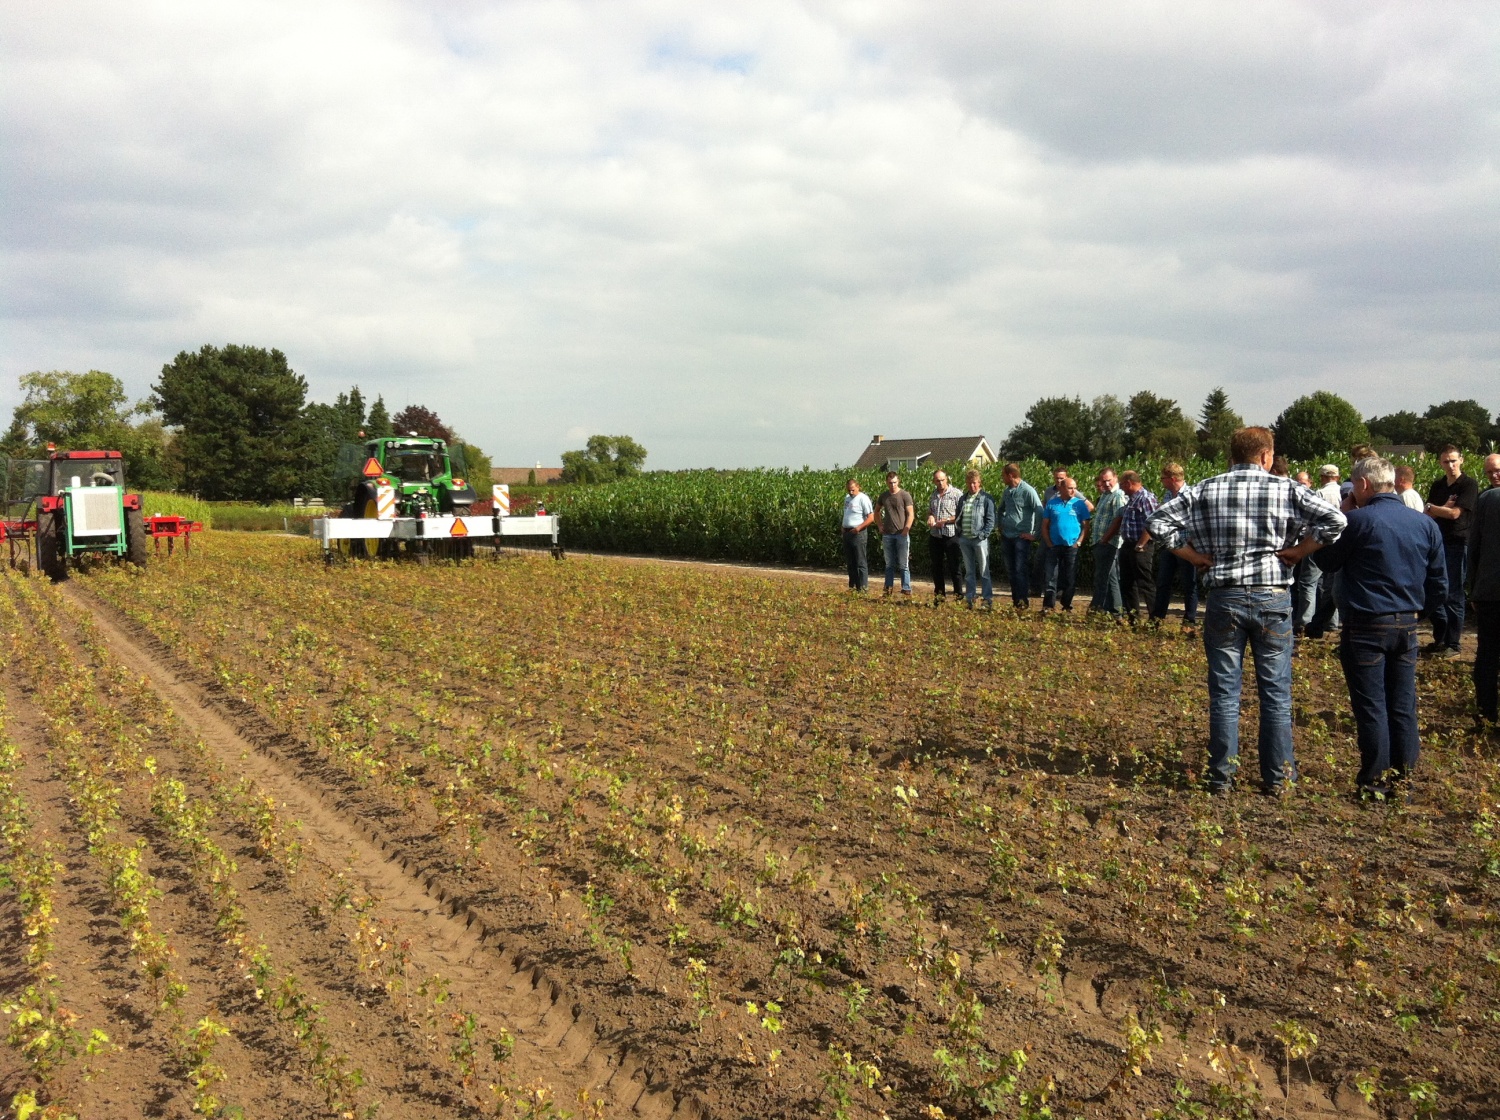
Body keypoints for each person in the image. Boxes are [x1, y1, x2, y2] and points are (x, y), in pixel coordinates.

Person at [1148, 427, 1347, 796]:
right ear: (1266, 456)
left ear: (1232, 455)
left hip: (1225, 597)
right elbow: (1336, 520)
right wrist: (1301, 551)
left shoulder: (1204, 489)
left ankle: (1220, 777)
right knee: (1276, 693)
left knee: (1224, 692)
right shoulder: (1287, 489)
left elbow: (1157, 522)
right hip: (1272, 597)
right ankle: (1278, 779)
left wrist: (1192, 557)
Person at [1313, 457, 1446, 800]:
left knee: (1372, 706)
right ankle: (1405, 781)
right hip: (1407, 623)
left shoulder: (1356, 521)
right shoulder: (1424, 524)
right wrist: (1418, 614)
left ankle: (1374, 782)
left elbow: (1326, 561)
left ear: (1363, 485)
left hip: (1366, 624)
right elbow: (1440, 583)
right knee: (1402, 705)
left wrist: (1340, 515)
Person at [1424, 446, 1479, 657]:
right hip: (1437, 543)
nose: (1451, 465)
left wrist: (1435, 508)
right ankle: (1441, 639)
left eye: (1454, 461)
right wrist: (1438, 509)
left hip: (1457, 543)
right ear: (1440, 463)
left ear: (1461, 461)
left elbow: (1455, 514)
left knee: (1453, 593)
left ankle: (1453, 644)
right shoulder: (1438, 485)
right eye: (1446, 461)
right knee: (1436, 591)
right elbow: (1428, 513)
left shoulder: (1468, 484)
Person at [1468, 453, 1500, 725]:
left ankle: (1486, 712)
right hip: (1489, 590)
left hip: (1490, 591)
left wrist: (1473, 588)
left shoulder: (1487, 500)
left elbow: (1473, 547)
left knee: (1488, 654)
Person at [1154, 465, 1200, 630]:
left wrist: (1192, 542)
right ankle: (1157, 619)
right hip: (1169, 545)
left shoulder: (1190, 495)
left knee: (1189, 584)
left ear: (1172, 479)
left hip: (1186, 546)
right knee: (1163, 582)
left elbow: (1197, 520)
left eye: (1163, 478)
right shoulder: (1167, 495)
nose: (1161, 482)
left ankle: (1190, 621)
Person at [1306, 465, 1346, 639]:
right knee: (1334, 583)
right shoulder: (1344, 491)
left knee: (1310, 582)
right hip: (1342, 541)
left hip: (1322, 541)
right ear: (1337, 477)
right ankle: (1332, 623)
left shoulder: (1320, 494)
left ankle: (1306, 620)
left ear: (1322, 477)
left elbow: (1313, 519)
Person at [1040, 477, 1092, 612]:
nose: (1073, 490)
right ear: (1062, 488)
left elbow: (1086, 526)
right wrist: (1049, 543)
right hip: (1054, 546)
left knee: (1070, 577)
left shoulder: (1079, 504)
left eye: (1074, 487)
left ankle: (1067, 604)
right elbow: (1044, 525)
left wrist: (1079, 542)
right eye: (1070, 488)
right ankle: (1048, 606)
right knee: (1051, 576)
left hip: (1071, 547)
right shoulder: (1052, 504)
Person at [1116, 470, 1159, 625]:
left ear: (1129, 483)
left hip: (1141, 546)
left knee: (1145, 582)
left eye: (1121, 484)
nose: (1121, 488)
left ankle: (1155, 618)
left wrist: (1141, 544)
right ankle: (1133, 617)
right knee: (1127, 583)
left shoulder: (1146, 498)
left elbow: (1152, 523)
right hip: (1128, 545)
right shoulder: (1132, 499)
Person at [999, 463, 1042, 609]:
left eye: (1003, 475)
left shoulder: (1028, 490)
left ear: (1010, 475)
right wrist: (1000, 525)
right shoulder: (1007, 491)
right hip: (1007, 536)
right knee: (1011, 570)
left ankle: (1023, 602)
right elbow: (1001, 509)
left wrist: (1035, 534)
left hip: (1021, 537)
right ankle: (1016, 601)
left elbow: (1039, 510)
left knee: (1019, 570)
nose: (1002, 478)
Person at [954, 469, 998, 610]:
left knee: (984, 571)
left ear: (979, 483)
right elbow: (958, 517)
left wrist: (982, 535)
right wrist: (959, 533)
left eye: (974, 483)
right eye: (969, 483)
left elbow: (990, 521)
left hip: (979, 540)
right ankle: (970, 599)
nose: (972, 486)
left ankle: (987, 600)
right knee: (969, 572)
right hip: (965, 539)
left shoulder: (986, 499)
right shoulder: (963, 498)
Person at [1089, 469, 1126, 618]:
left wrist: (1105, 539)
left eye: (1109, 480)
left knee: (1106, 578)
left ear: (1115, 478)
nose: (1106, 483)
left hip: (1109, 543)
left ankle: (1111, 610)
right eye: (1103, 481)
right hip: (1099, 542)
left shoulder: (1118, 495)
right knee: (1108, 577)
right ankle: (1112, 610)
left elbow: (1118, 519)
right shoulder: (1105, 495)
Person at [925, 469, 964, 605]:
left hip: (951, 535)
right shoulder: (933, 495)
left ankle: (959, 597)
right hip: (936, 536)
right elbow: (931, 510)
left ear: (947, 479)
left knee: (955, 567)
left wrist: (946, 520)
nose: (940, 483)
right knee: (936, 567)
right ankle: (939, 598)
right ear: (934, 482)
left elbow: (960, 515)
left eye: (942, 480)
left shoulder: (956, 494)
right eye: (937, 480)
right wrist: (930, 516)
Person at [877, 471, 916, 598]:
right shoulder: (884, 496)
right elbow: (876, 511)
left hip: (902, 534)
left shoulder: (905, 495)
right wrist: (880, 525)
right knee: (889, 564)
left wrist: (906, 528)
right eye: (890, 482)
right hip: (888, 534)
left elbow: (911, 514)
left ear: (898, 481)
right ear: (886, 483)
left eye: (894, 482)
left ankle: (906, 588)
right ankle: (888, 588)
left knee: (904, 564)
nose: (892, 485)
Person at [840, 478, 874, 591]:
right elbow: (847, 513)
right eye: (849, 490)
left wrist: (858, 528)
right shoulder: (847, 499)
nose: (851, 492)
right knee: (850, 562)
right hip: (847, 532)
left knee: (860, 561)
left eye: (853, 490)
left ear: (858, 487)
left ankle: (863, 587)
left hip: (858, 533)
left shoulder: (863, 499)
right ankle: (853, 586)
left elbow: (870, 518)